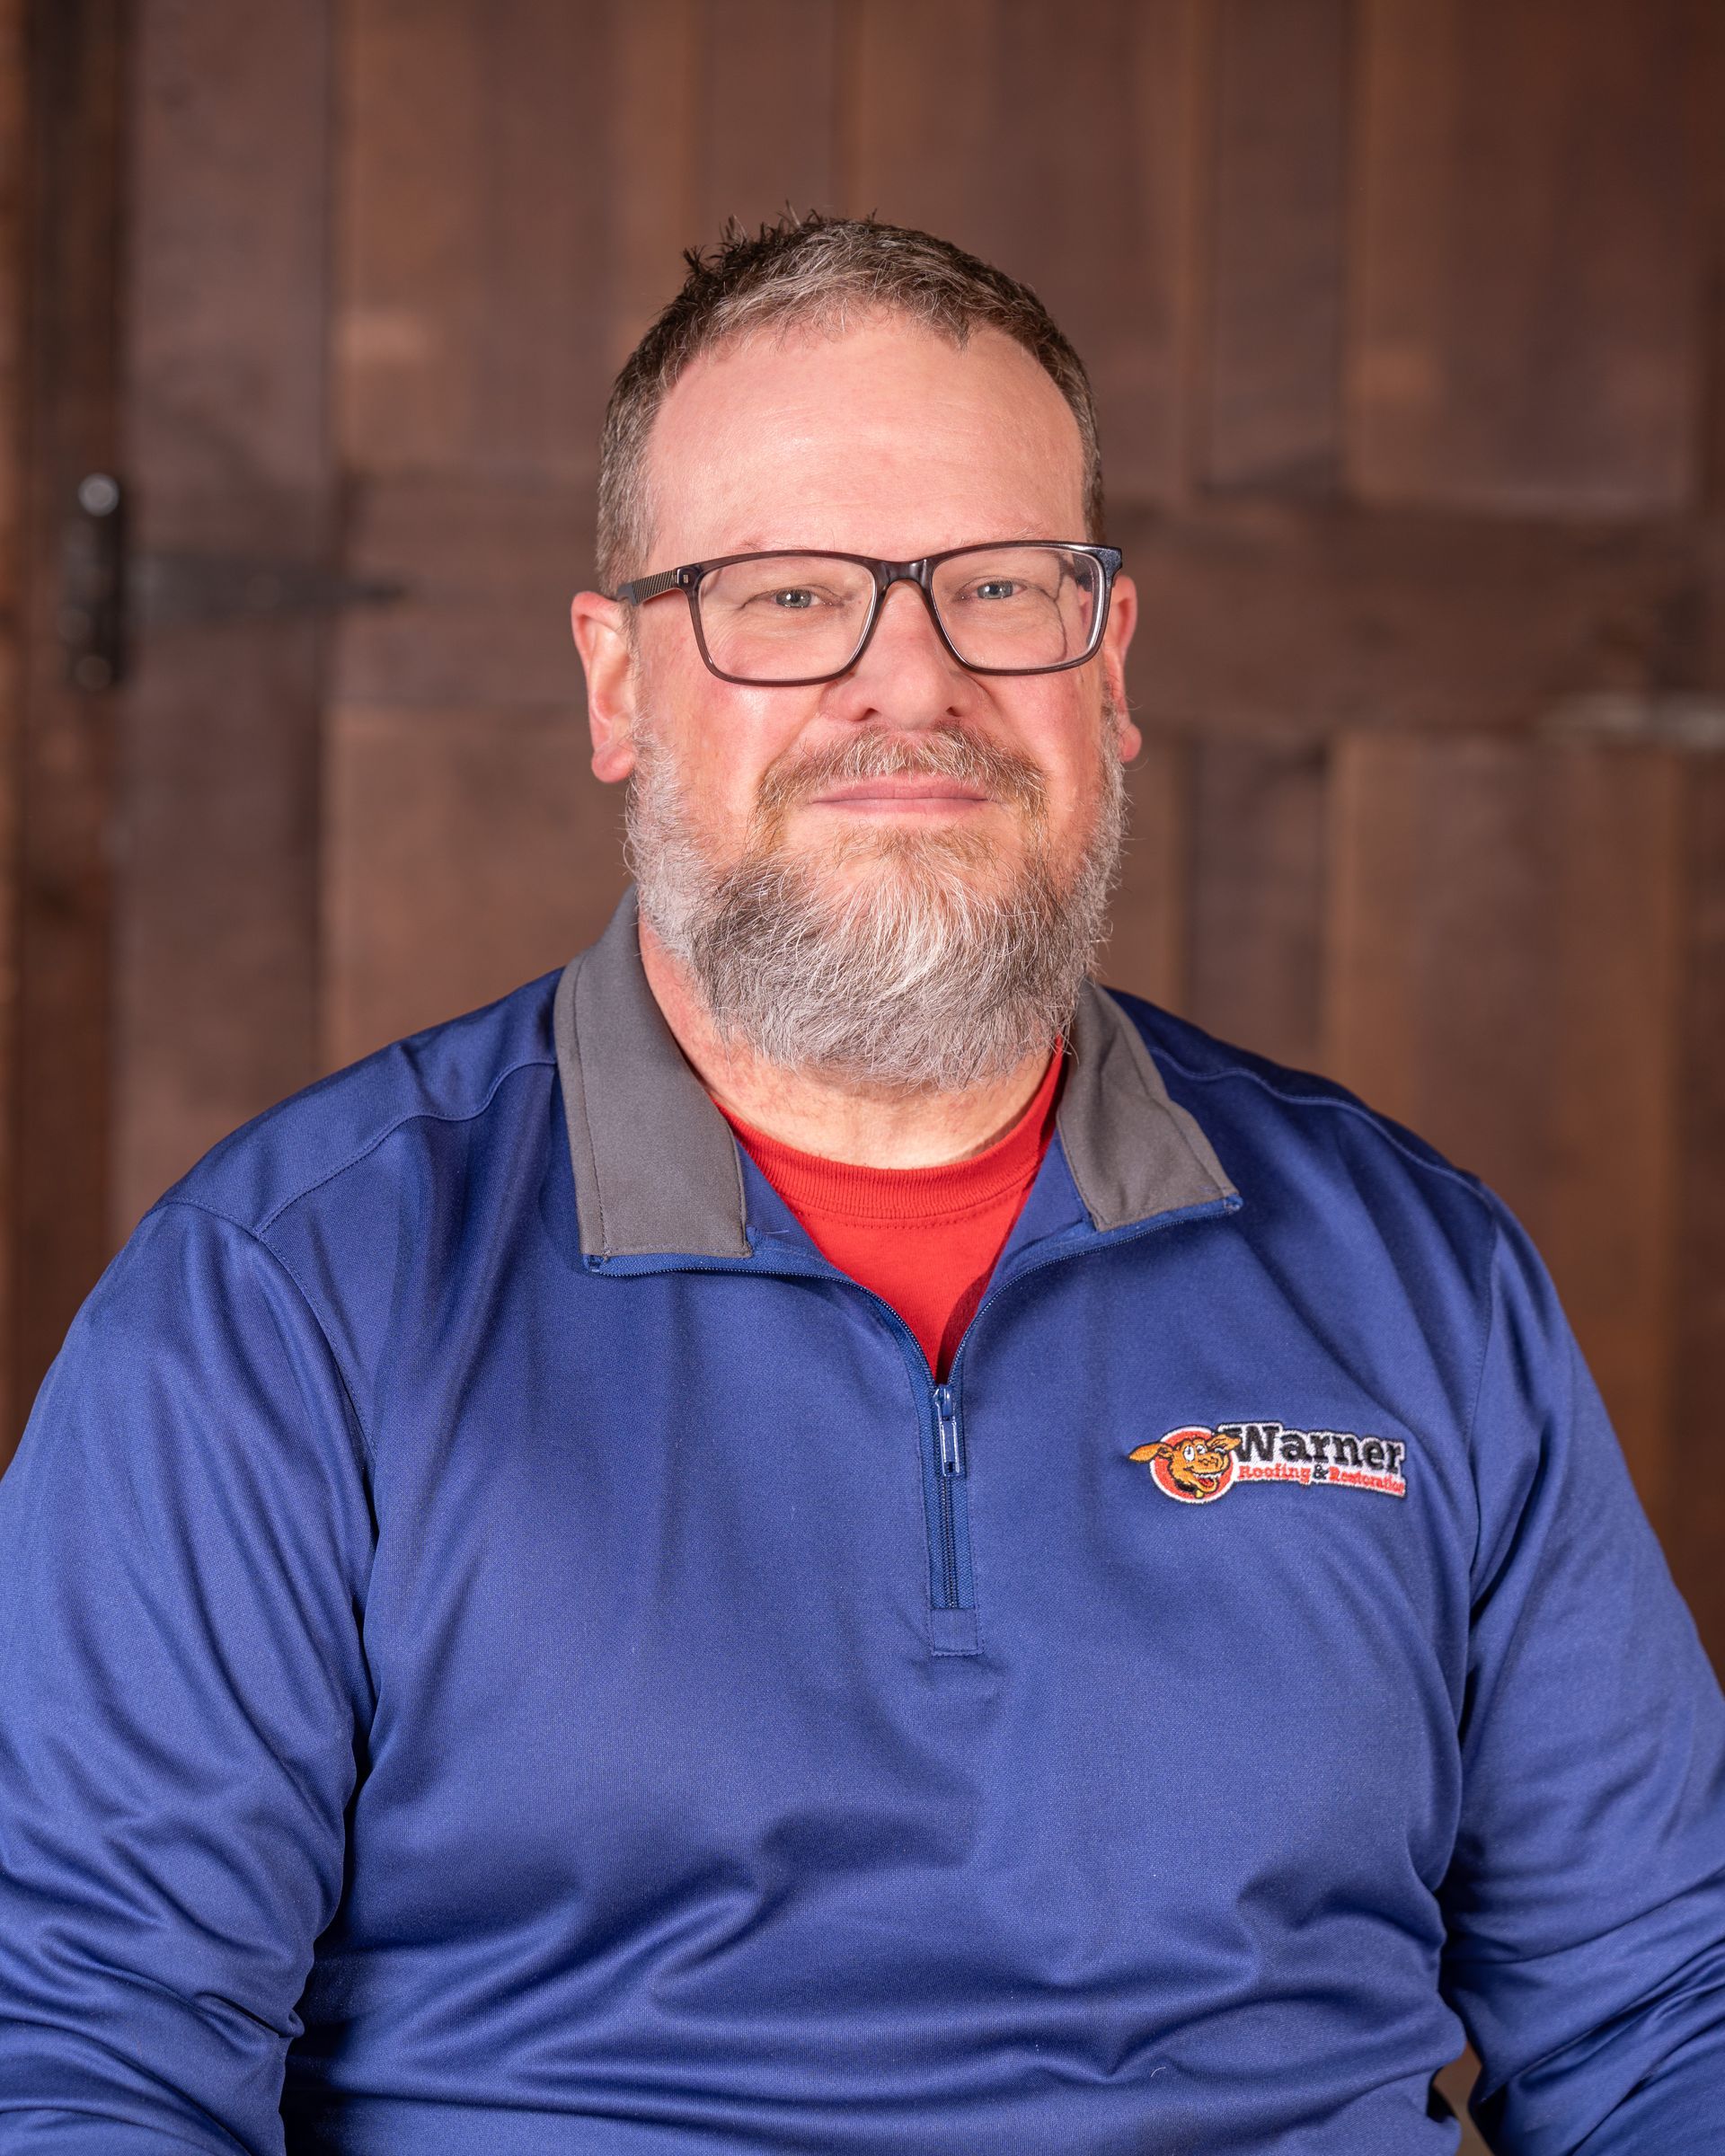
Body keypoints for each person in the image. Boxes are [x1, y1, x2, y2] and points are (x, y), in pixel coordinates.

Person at [2, 213, 1722, 2156]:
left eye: (998, 586)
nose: (913, 683)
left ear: (1109, 666)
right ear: (618, 686)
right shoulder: (277, 1308)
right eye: (791, 595)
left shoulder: (1420, 1279)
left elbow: (1666, 2014)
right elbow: (77, 2057)